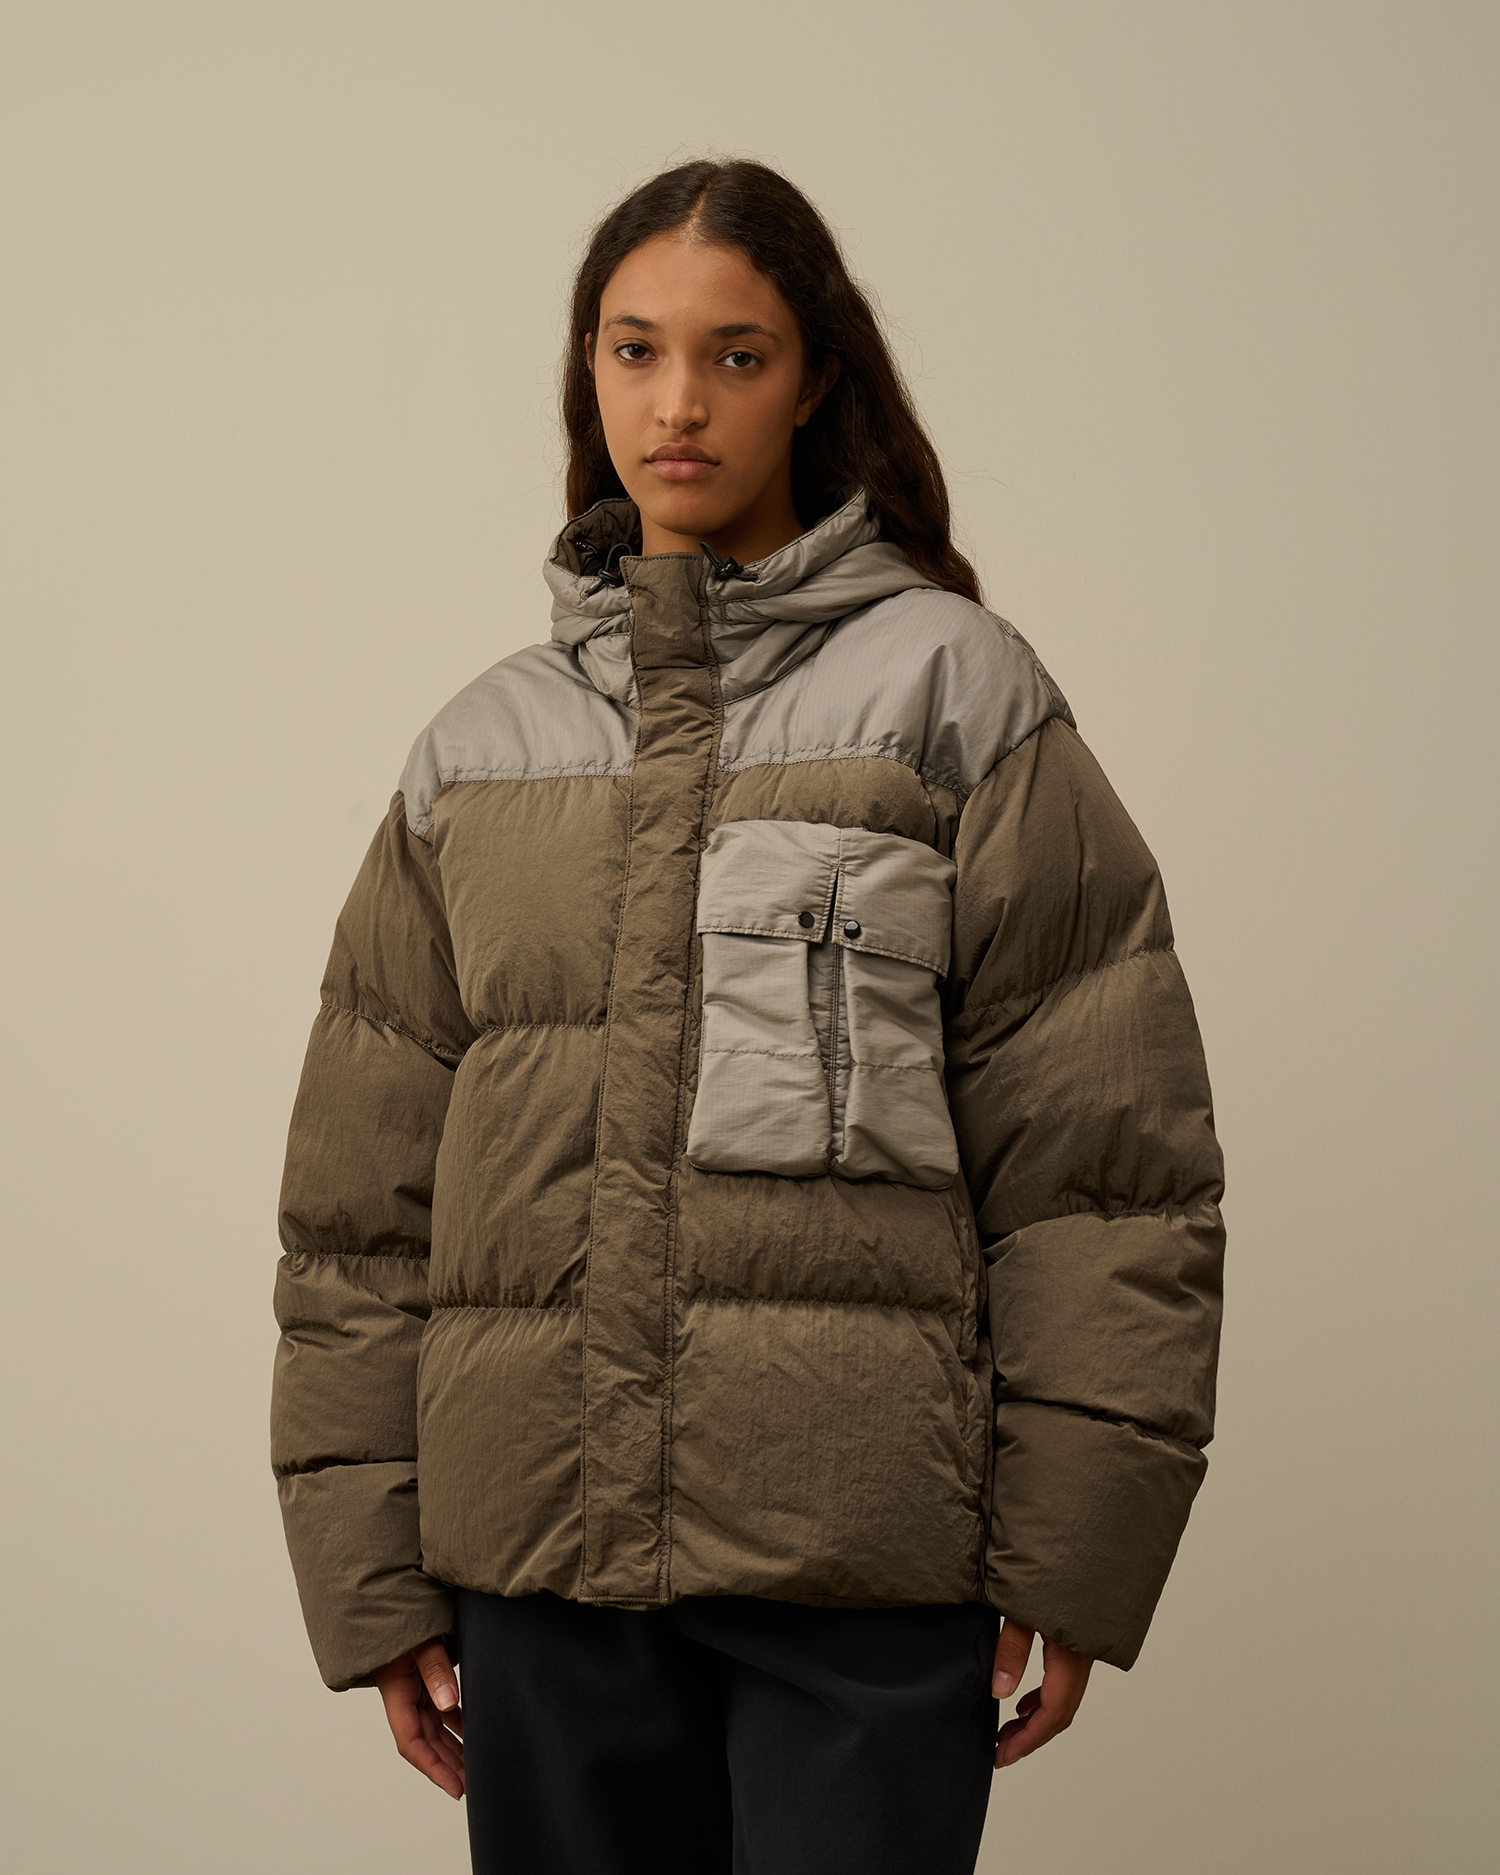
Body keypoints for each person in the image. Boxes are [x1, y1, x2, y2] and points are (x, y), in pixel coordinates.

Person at [270, 158, 1226, 1875]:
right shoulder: (476, 754)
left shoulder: (957, 695)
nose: (678, 404)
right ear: (587, 375)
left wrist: (1075, 1552)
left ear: (814, 381)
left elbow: (1106, 1174)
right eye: (634, 351)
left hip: (863, 1568)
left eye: (736, 354)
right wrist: (371, 1569)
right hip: (541, 1572)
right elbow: (359, 1217)